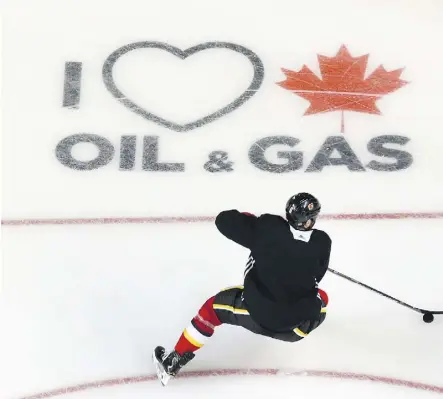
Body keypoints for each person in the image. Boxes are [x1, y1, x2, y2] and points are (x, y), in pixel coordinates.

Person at [153, 193, 332, 385]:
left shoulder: (269, 228)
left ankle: (174, 361)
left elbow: (224, 221)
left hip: (256, 314)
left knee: (212, 310)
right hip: (297, 328)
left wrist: (253, 223)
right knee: (322, 297)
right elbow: (317, 277)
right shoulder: (322, 242)